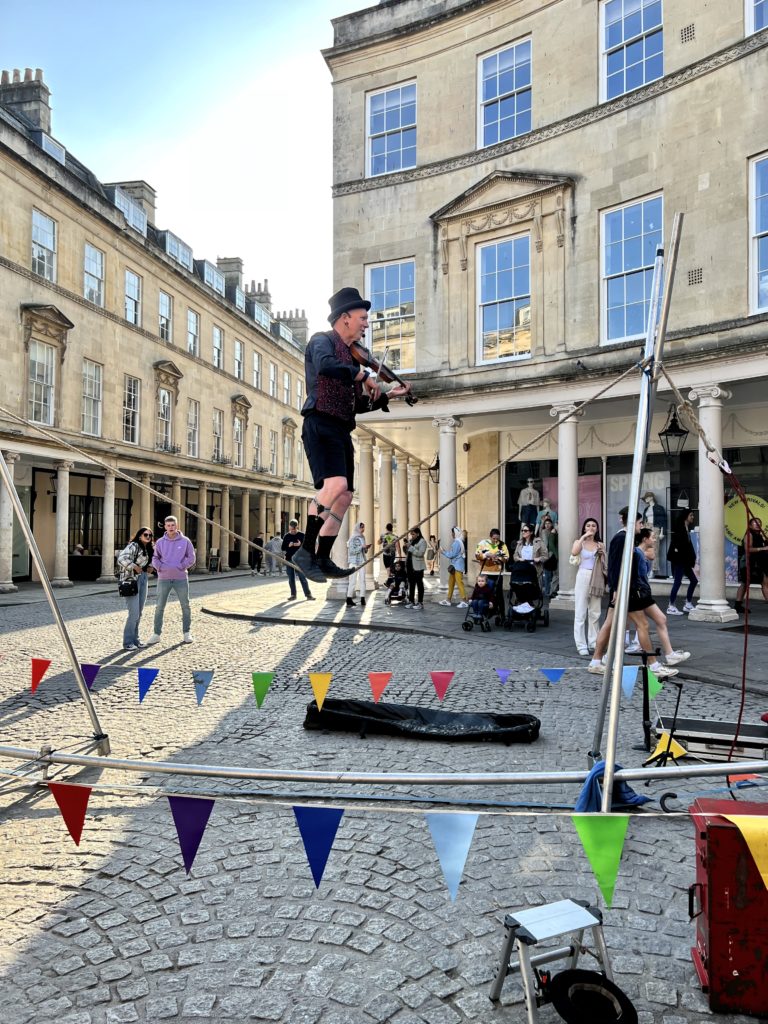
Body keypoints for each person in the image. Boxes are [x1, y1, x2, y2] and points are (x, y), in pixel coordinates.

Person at [292, 287, 411, 584]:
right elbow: (325, 366)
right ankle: (304, 551)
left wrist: (389, 394)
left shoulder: (355, 359)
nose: (366, 324)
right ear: (344, 318)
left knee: (345, 495)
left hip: (342, 426)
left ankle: (322, 556)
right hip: (320, 421)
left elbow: (358, 404)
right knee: (336, 484)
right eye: (362, 318)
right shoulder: (323, 341)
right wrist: (363, 376)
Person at [587, 507, 678, 679]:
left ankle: (596, 661)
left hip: (629, 589)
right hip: (627, 590)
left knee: (609, 624)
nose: (641, 525)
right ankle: (654, 665)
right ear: (629, 522)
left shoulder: (627, 538)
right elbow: (615, 565)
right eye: (639, 522)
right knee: (642, 625)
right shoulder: (621, 538)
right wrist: (615, 588)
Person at [626, 529, 690, 665]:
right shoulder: (636, 553)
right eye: (653, 537)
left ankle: (670, 654)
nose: (655, 540)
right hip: (636, 595)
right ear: (645, 539)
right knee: (640, 625)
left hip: (644, 593)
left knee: (661, 619)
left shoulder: (642, 553)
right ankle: (608, 656)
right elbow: (634, 576)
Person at [146, 516, 196, 645]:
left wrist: (180, 566)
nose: (171, 528)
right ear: (165, 526)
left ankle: (186, 633)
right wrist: (160, 567)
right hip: (163, 578)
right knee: (159, 607)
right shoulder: (160, 542)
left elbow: (191, 557)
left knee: (185, 606)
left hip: (181, 578)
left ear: (177, 526)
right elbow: (155, 558)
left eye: (173, 525)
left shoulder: (185, 541)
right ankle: (156, 634)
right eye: (168, 525)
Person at [571, 518, 606, 657]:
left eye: (593, 525)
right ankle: (581, 644)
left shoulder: (600, 544)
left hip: (597, 576)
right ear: (584, 528)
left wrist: (601, 553)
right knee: (580, 611)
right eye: (588, 525)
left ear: (597, 528)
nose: (591, 527)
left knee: (595, 611)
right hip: (583, 575)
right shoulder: (579, 542)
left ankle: (593, 641)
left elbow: (605, 562)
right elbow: (574, 552)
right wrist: (584, 537)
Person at [117, 527, 155, 650]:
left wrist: (150, 567)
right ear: (140, 536)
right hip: (131, 580)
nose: (148, 537)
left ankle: (135, 640)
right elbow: (121, 558)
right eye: (145, 535)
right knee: (133, 613)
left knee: (139, 612)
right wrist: (133, 566)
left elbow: (150, 561)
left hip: (143, 579)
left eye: (150, 535)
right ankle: (127, 642)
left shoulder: (148, 548)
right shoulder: (133, 545)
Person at [734, 517, 768, 613]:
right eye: (755, 523)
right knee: (745, 583)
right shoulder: (749, 535)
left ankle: (738, 605)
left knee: (765, 581)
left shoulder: (760, 535)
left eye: (759, 523)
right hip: (748, 563)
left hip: (758, 563)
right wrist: (763, 548)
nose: (758, 524)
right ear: (749, 525)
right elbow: (748, 549)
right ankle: (737, 605)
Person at [667, 509, 698, 614]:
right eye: (691, 515)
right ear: (686, 517)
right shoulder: (680, 529)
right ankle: (671, 606)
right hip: (679, 560)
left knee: (694, 580)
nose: (692, 517)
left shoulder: (686, 528)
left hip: (684, 561)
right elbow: (678, 546)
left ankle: (688, 604)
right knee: (677, 582)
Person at [282, 520, 314, 601]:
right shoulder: (286, 536)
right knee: (291, 578)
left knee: (302, 578)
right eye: (291, 529)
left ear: (297, 527)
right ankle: (293, 595)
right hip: (289, 559)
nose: (293, 531)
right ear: (289, 527)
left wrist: (300, 545)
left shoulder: (302, 535)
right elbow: (283, 548)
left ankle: (308, 595)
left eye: (294, 529)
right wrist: (288, 545)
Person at [439, 526, 468, 608]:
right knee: (451, 583)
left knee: (458, 583)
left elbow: (452, 555)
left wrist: (443, 552)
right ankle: (448, 599)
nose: (452, 534)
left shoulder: (457, 542)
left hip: (457, 566)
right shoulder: (460, 541)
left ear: (455, 533)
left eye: (452, 532)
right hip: (456, 566)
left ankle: (464, 600)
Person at [642, 491, 667, 577]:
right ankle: (645, 568)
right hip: (646, 528)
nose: (645, 500)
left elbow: (663, 521)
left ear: (651, 497)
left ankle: (653, 570)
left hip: (655, 528)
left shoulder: (659, 508)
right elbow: (644, 520)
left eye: (646, 498)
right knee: (645, 549)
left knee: (655, 549)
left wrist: (662, 532)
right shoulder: (646, 509)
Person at [346, 521, 370, 607]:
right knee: (352, 580)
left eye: (363, 527)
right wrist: (362, 547)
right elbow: (352, 551)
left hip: (362, 561)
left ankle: (362, 598)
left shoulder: (362, 537)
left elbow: (363, 551)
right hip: (354, 562)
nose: (363, 529)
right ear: (357, 528)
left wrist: (366, 548)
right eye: (361, 527)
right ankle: (349, 598)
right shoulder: (352, 538)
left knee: (362, 580)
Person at [403, 526, 427, 610]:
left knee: (419, 584)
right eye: (411, 534)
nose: (411, 536)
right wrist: (405, 547)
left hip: (418, 567)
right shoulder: (411, 541)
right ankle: (411, 601)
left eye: (413, 534)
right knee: (411, 584)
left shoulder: (422, 542)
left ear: (418, 533)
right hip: (409, 566)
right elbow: (407, 553)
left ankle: (420, 603)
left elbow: (421, 553)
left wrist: (411, 547)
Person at [539, 513, 559, 600]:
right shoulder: (544, 532)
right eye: (546, 523)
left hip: (550, 555)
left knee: (550, 574)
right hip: (547, 555)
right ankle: (547, 591)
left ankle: (549, 591)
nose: (547, 525)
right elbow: (547, 544)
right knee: (547, 575)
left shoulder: (553, 532)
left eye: (549, 523)